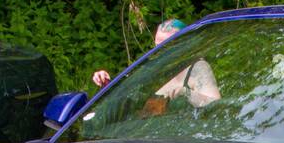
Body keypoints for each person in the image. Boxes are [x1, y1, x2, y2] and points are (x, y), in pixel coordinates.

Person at [92, 18, 221, 112]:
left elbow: (215, 105)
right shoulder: (154, 67)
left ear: (183, 43)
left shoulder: (197, 67)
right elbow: (130, 103)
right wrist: (109, 84)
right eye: (156, 45)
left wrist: (186, 93)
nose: (159, 50)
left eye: (166, 45)